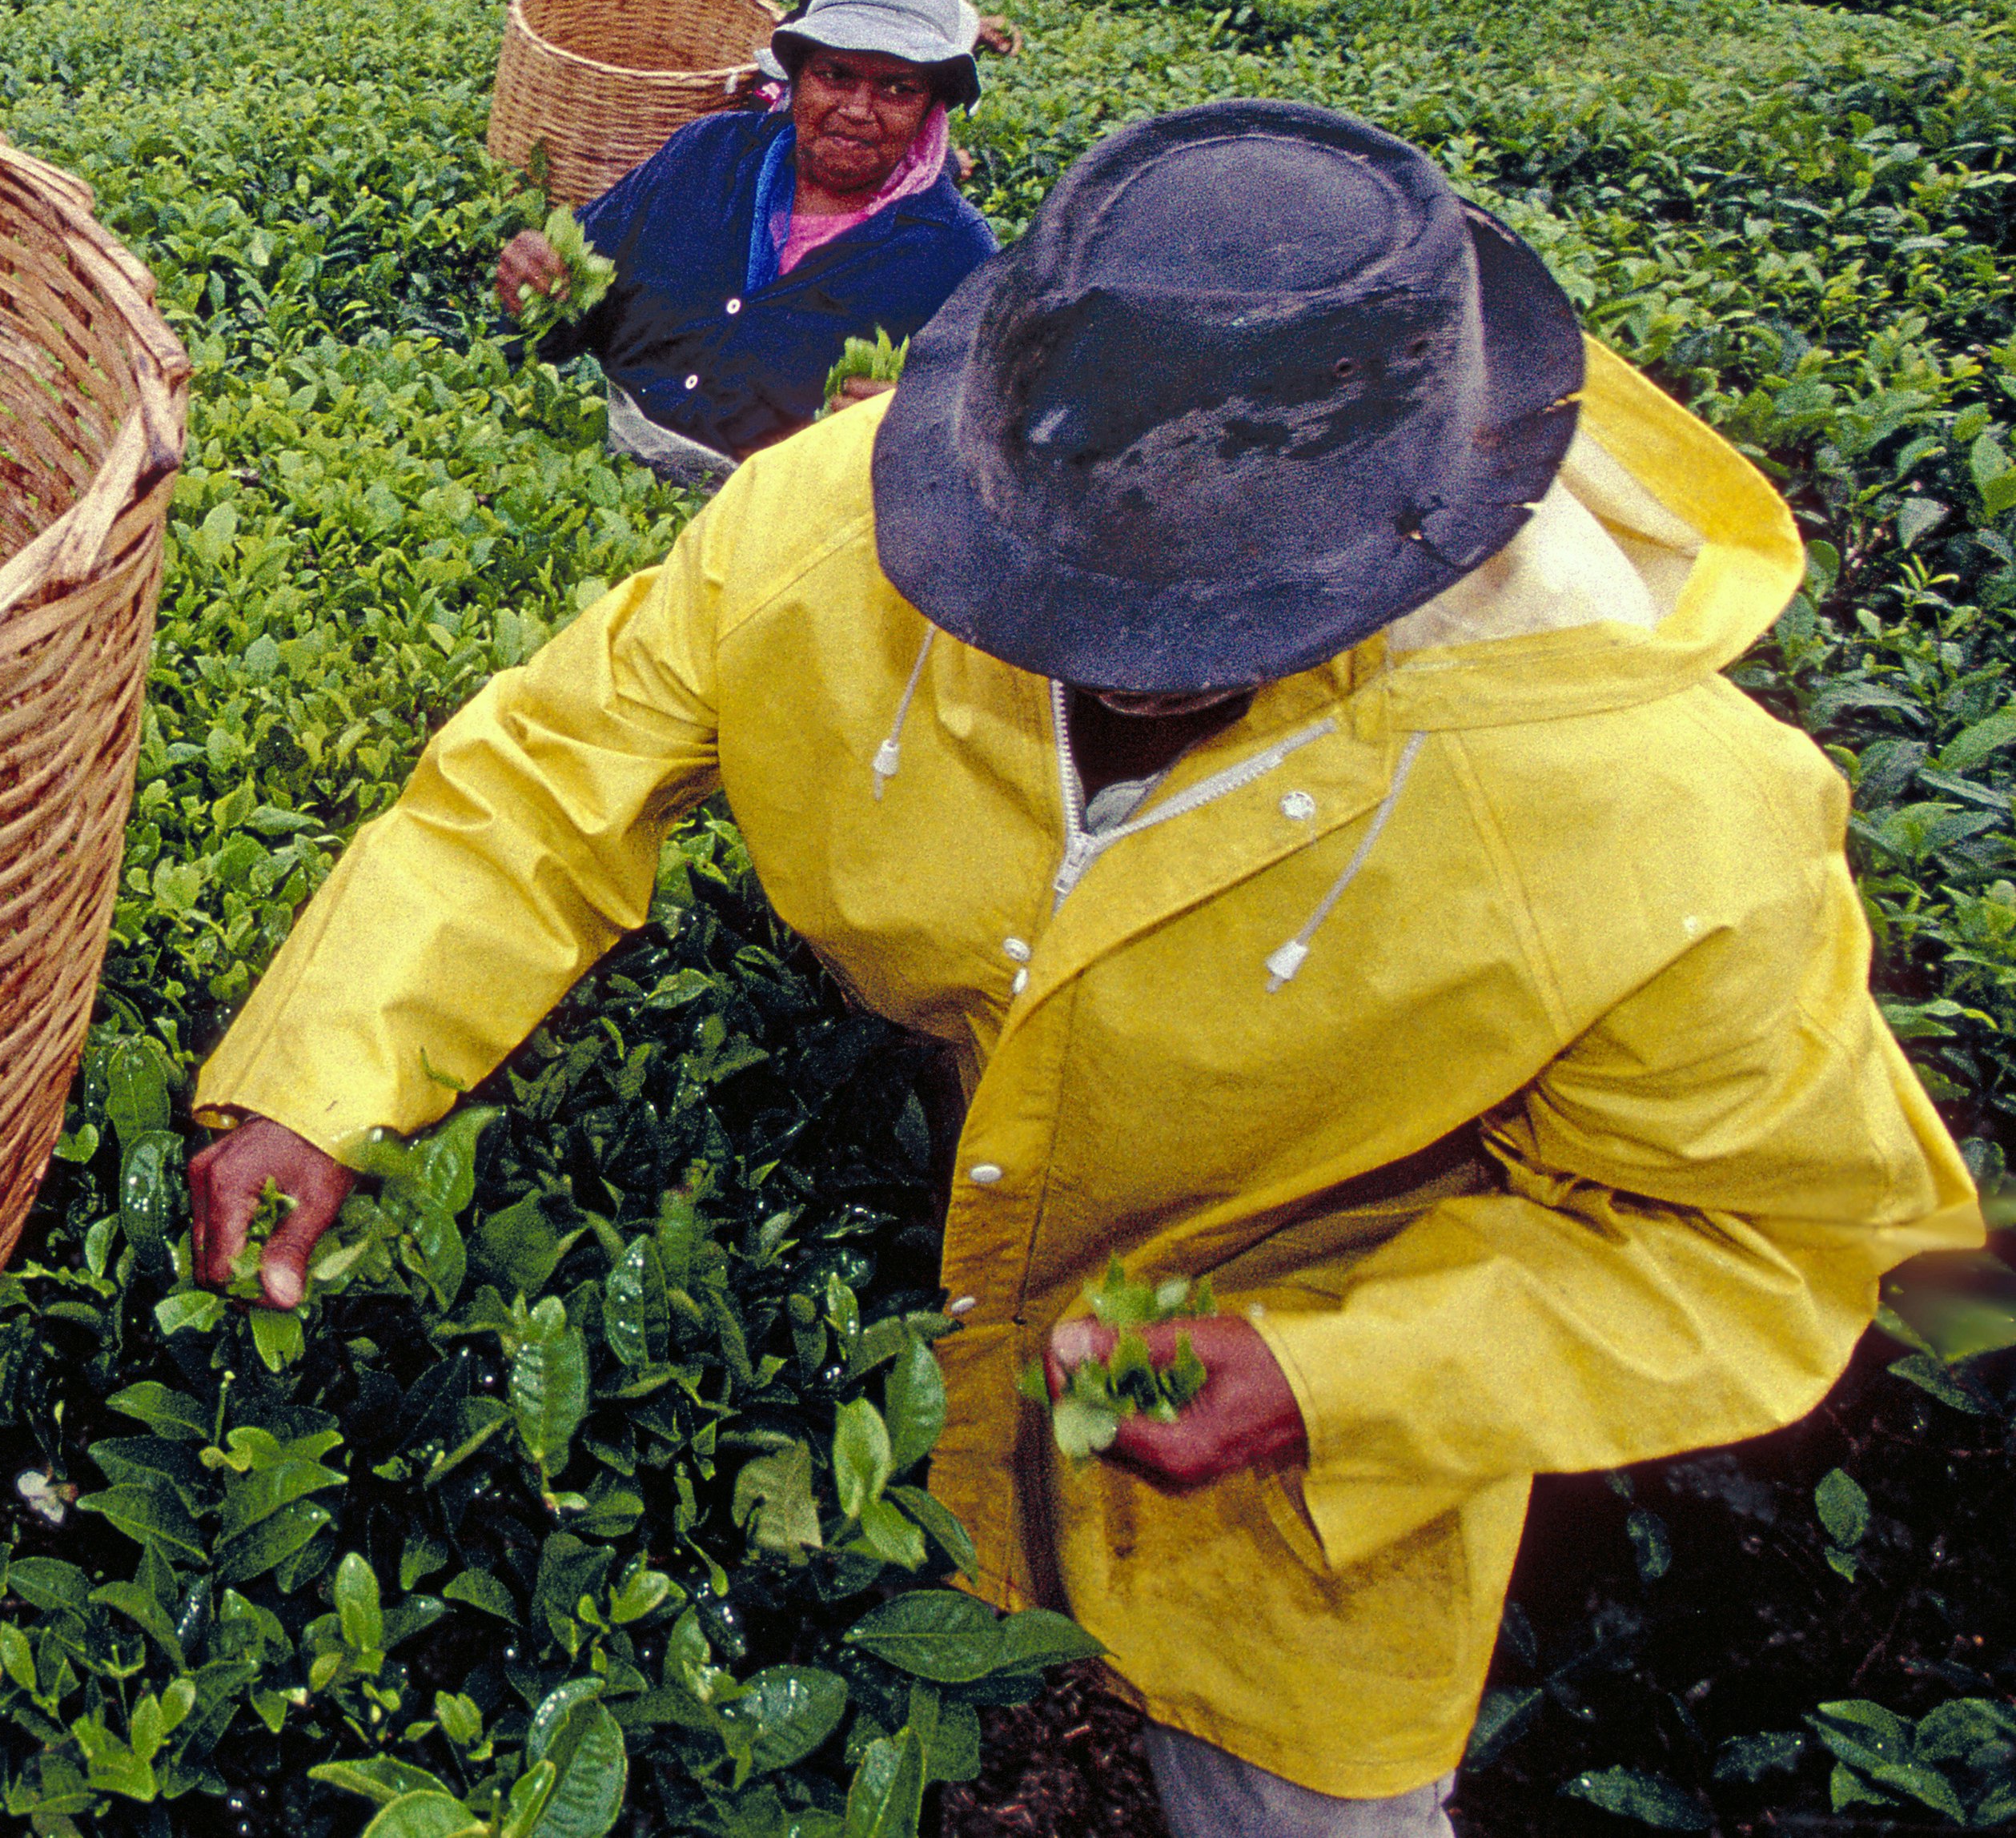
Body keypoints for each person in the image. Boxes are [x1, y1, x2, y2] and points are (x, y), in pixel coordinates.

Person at [191, 102, 1982, 1835]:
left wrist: (1339, 1373)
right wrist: (322, 1074)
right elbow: (539, 783)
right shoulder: (825, 533)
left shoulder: (1660, 815)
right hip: (951, 1299)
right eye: (1074, 594)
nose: (1129, 666)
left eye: (1204, 623)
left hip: (1321, 1411)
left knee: (1300, 1793)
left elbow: (1765, 1235)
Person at [502, 0, 1000, 488]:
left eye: (897, 88)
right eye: (835, 75)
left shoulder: (959, 254)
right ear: (795, 77)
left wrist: (919, 425)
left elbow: (988, 459)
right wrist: (534, 280)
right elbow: (566, 317)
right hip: (587, 470)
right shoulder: (706, 152)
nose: (858, 109)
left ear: (931, 106)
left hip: (768, 531)